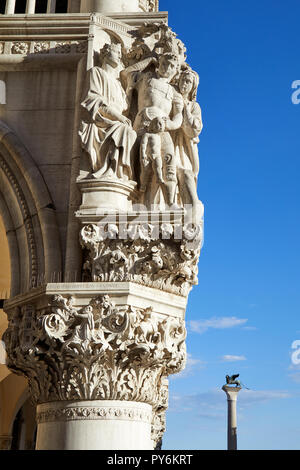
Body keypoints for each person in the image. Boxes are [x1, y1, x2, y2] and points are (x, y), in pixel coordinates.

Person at [122, 53, 184, 206]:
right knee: (139, 163)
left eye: (171, 66)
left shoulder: (175, 93)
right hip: (143, 123)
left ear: (176, 70)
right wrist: (148, 60)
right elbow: (126, 73)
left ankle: (170, 203)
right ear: (159, 63)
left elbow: (178, 118)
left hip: (163, 127)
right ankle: (134, 200)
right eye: (164, 63)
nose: (167, 68)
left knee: (169, 161)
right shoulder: (147, 78)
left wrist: (168, 124)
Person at [79, 42, 137, 180]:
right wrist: (119, 118)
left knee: (131, 133)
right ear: (105, 53)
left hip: (115, 121)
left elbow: (124, 107)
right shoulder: (97, 72)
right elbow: (95, 101)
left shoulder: (117, 83)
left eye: (120, 54)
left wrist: (130, 88)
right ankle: (109, 170)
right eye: (117, 52)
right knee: (123, 130)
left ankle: (119, 173)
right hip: (102, 121)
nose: (119, 56)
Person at [174, 68, 203, 220]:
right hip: (170, 142)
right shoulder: (171, 97)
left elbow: (194, 130)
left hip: (185, 147)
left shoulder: (194, 106)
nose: (184, 84)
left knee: (186, 174)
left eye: (188, 82)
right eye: (183, 80)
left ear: (193, 87)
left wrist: (185, 109)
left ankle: (191, 216)